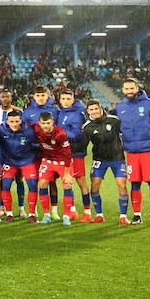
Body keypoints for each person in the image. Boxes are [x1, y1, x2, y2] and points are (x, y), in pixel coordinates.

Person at [113, 78, 150, 226]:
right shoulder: (120, 107)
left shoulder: (149, 104)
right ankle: (137, 215)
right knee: (135, 184)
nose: (129, 91)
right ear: (122, 90)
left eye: (132, 88)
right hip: (131, 153)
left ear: (137, 88)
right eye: (126, 89)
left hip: (149, 150)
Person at [82, 100, 125, 224]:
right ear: (88, 111)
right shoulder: (87, 127)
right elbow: (83, 145)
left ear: (101, 108)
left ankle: (123, 216)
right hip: (99, 160)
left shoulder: (114, 120)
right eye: (91, 110)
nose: (94, 112)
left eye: (96, 109)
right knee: (94, 186)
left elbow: (126, 133)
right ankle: (99, 215)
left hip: (118, 159)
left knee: (122, 185)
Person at [0, 110, 42, 223]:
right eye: (11, 121)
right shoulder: (0, 129)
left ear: (21, 120)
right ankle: (9, 214)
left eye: (17, 121)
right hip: (9, 161)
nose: (14, 124)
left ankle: (31, 214)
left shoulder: (29, 131)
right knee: (5, 185)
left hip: (27, 161)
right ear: (7, 121)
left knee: (32, 185)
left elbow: (38, 147)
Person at [54, 89, 93, 218]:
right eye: (63, 99)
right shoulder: (59, 113)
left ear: (73, 99)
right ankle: (72, 211)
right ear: (60, 100)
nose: (65, 101)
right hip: (63, 153)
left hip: (76, 152)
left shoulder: (78, 113)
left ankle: (87, 211)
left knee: (81, 181)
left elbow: (77, 134)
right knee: (67, 181)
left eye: (68, 99)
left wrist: (61, 134)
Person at [35, 112, 77, 226]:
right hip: (47, 160)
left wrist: (68, 173)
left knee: (67, 184)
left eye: (48, 123)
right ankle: (47, 215)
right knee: (42, 183)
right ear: (39, 123)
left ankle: (67, 215)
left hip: (63, 161)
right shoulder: (36, 129)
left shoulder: (60, 134)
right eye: (43, 123)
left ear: (52, 122)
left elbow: (68, 154)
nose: (45, 126)